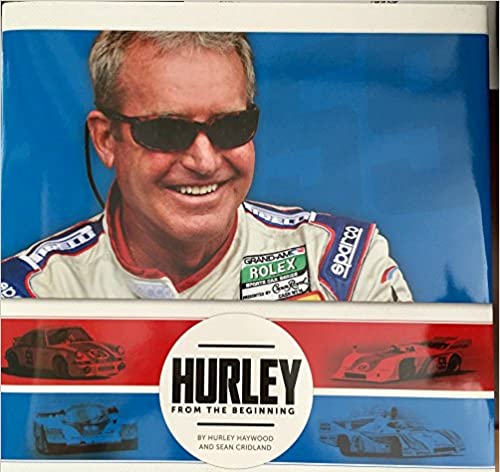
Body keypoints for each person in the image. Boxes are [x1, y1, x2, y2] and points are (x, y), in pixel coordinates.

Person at [1, 31, 412, 301]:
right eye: (167, 131)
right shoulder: (31, 295)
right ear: (106, 140)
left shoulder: (342, 266)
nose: (204, 160)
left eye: (231, 126)